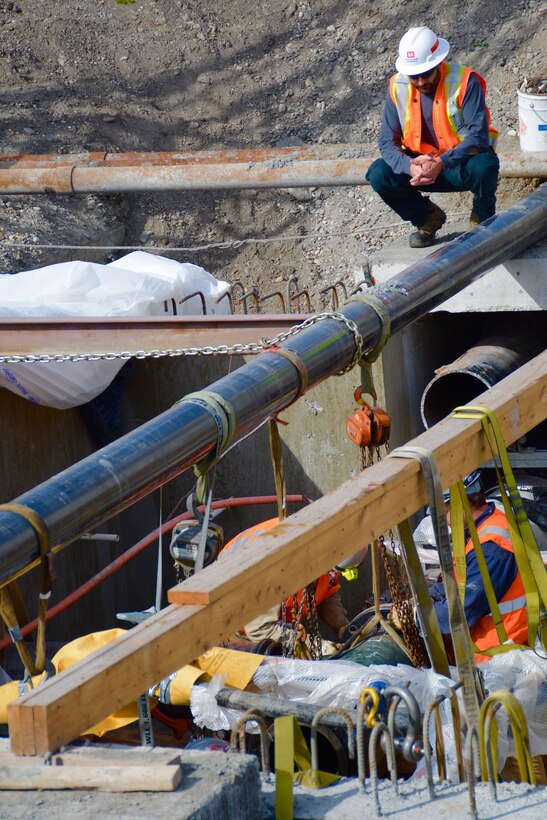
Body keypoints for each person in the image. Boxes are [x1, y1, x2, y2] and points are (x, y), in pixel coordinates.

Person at [366, 26, 500, 248]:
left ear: (438, 63)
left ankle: (482, 218)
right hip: (418, 169)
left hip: (459, 165)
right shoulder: (398, 86)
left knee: (484, 165)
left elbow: (478, 136)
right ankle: (426, 218)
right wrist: (409, 166)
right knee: (379, 174)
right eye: (414, 76)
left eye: (425, 74)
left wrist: (441, 163)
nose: (419, 82)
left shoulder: (464, 81)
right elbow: (386, 142)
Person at [219, 517, 368, 653]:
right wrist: (312, 646)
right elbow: (258, 629)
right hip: (234, 628)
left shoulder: (322, 541)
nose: (332, 576)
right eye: (330, 571)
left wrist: (341, 626)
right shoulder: (274, 566)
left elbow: (325, 591)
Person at [428, 471, 529, 663]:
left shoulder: (491, 548)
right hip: (496, 646)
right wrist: (430, 594)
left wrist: (422, 617)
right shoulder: (487, 527)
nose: (444, 520)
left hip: (496, 656)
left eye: (445, 511)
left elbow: (464, 608)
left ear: (463, 503)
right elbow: (464, 582)